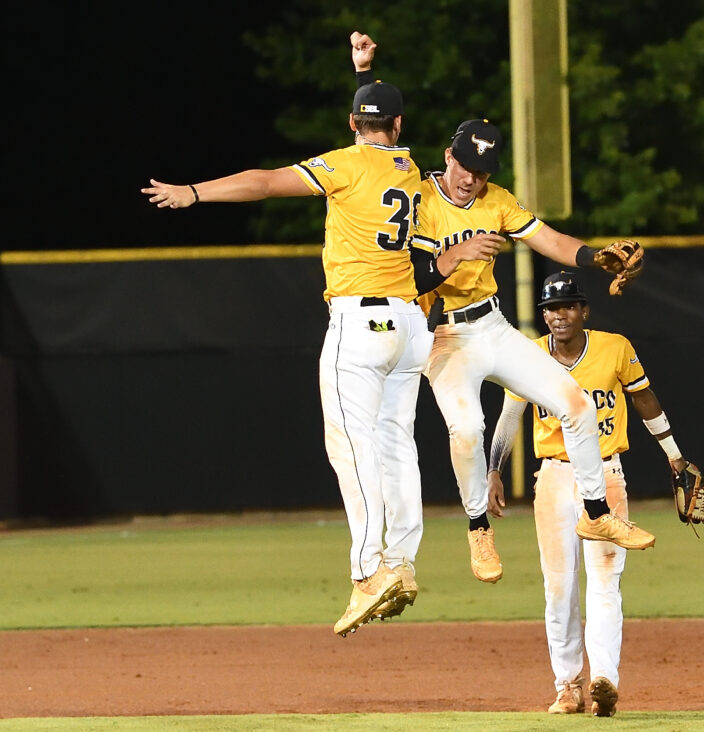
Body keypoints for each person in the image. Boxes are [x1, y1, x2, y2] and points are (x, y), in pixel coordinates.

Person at [141, 32, 498, 637]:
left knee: (349, 447)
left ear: (350, 122)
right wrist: (364, 71)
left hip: (360, 324)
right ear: (400, 124)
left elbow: (264, 179)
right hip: (412, 325)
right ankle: (402, 564)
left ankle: (367, 573)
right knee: (394, 448)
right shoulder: (411, 170)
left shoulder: (344, 163)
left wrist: (194, 192)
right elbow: (373, 136)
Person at [356, 38, 656, 587]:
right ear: (448, 156)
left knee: (576, 404)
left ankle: (596, 515)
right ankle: (477, 527)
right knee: (467, 427)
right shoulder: (416, 198)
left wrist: (595, 255)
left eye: (482, 170)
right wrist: (455, 255)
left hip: (492, 325)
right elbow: (409, 277)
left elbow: (548, 240)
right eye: (465, 165)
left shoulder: (497, 201)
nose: (472, 177)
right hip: (443, 337)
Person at [487, 270, 699, 716]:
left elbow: (645, 399)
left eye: (567, 306)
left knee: (605, 585)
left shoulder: (614, 347)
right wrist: (493, 470)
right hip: (554, 478)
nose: (558, 315)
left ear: (584, 310)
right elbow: (509, 416)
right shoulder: (529, 355)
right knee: (559, 588)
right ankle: (567, 687)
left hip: (605, 476)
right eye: (550, 308)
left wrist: (674, 455)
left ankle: (604, 681)